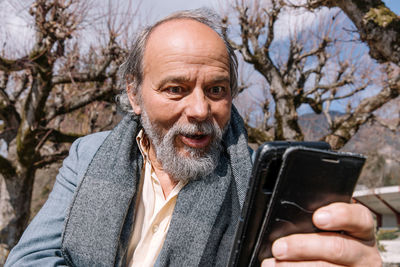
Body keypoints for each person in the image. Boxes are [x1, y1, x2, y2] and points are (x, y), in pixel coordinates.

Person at [5, 8, 381, 267]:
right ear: (134, 95)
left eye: (217, 90)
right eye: (175, 89)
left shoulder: (260, 185)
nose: (200, 110)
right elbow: (28, 259)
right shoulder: (88, 155)